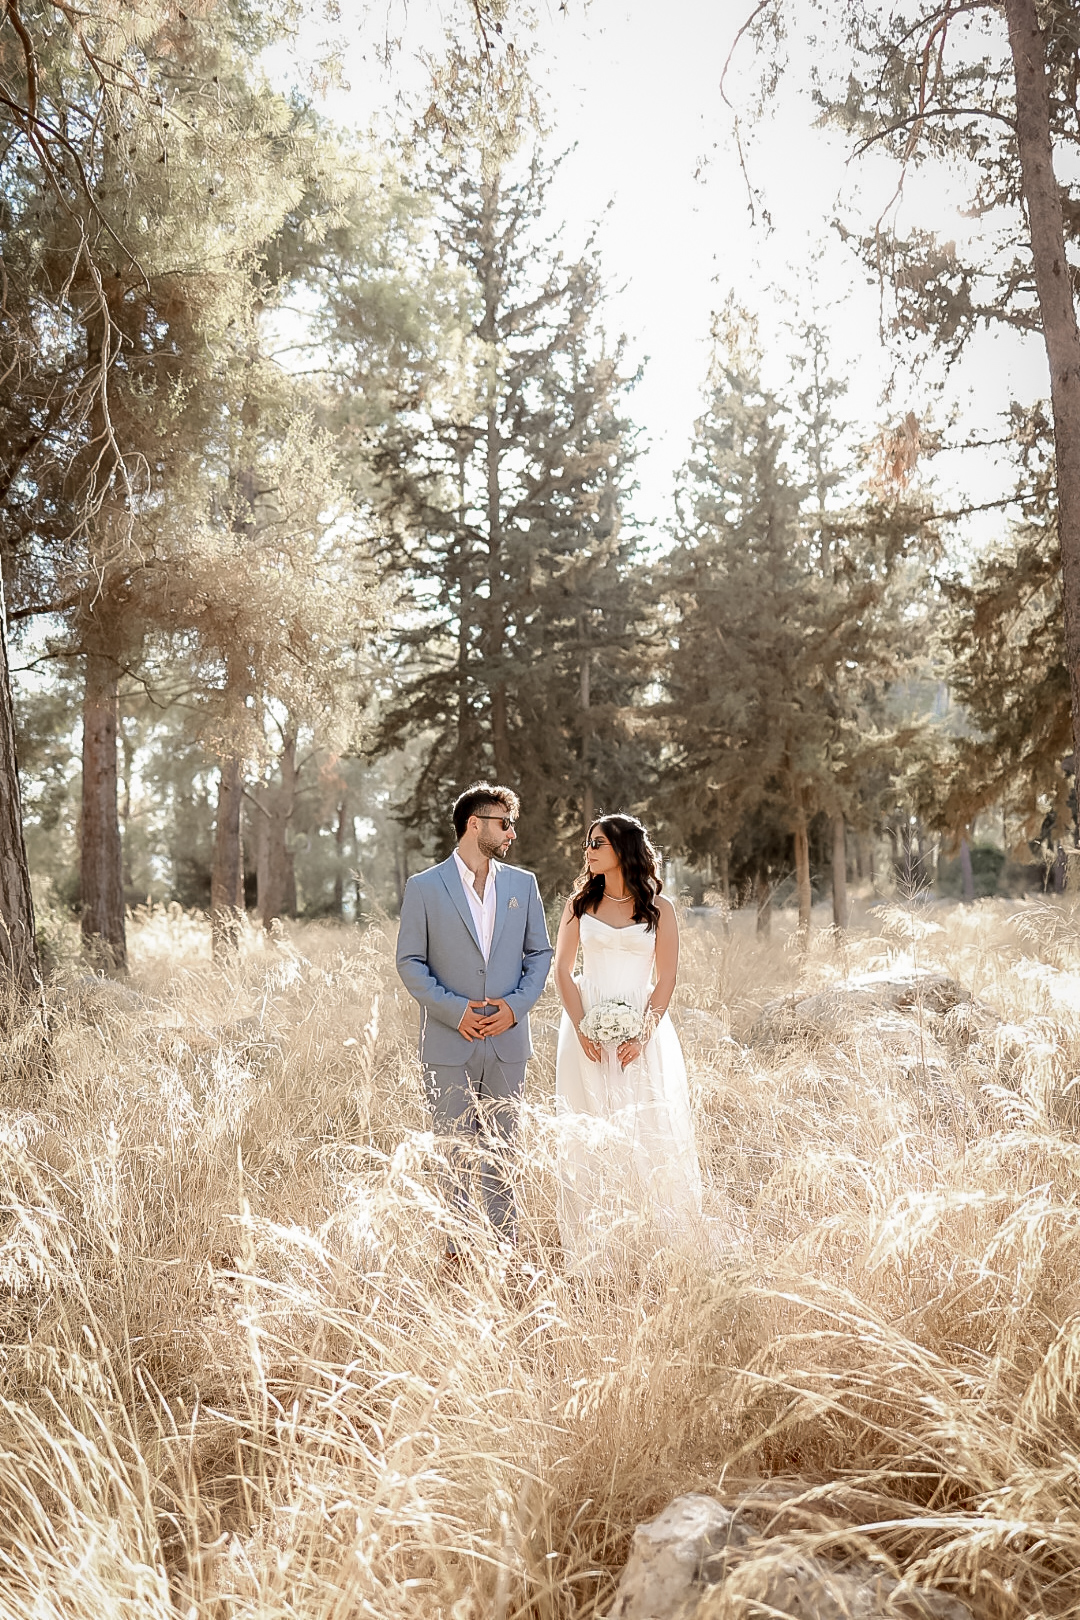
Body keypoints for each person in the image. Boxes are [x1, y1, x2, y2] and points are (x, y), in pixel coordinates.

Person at [396, 783, 554, 1258]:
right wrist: (456, 1010)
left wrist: (515, 1007)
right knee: (455, 1152)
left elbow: (540, 953)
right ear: (474, 824)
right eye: (504, 824)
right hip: (449, 1042)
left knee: (505, 1151)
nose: (511, 833)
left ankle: (506, 1252)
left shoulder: (523, 885)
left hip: (508, 1041)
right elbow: (409, 962)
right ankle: (458, 1253)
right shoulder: (424, 887)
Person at [553, 813, 703, 1270]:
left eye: (597, 843)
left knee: (646, 1127)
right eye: (587, 843)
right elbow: (562, 971)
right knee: (590, 1130)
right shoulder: (579, 904)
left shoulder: (660, 908)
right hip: (585, 1024)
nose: (588, 850)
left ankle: (656, 1247)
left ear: (622, 848)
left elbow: (667, 976)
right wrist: (581, 1026)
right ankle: (596, 1255)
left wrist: (643, 1033)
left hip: (643, 1028)